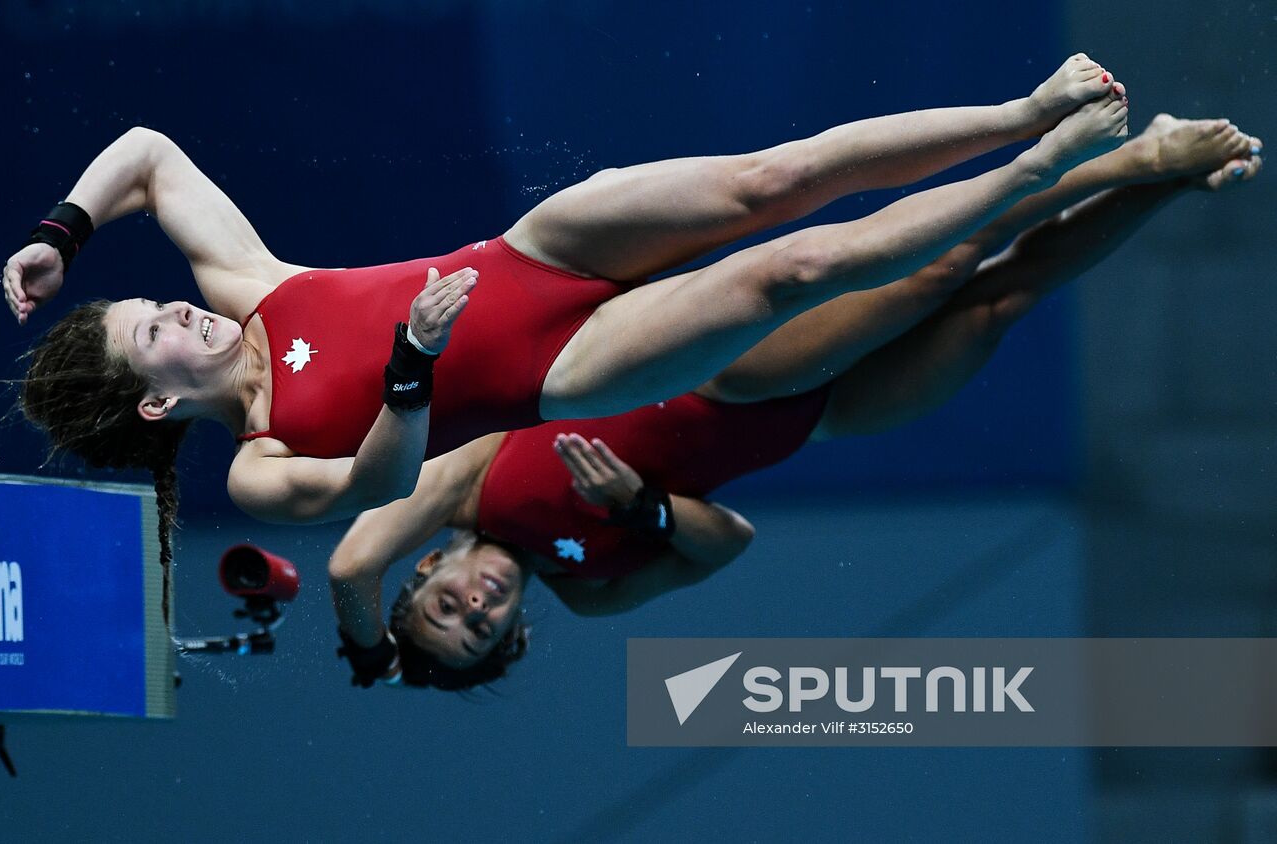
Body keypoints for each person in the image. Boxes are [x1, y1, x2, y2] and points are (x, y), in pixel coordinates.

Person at [6, 57, 1128, 623]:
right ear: (155, 398)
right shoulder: (260, 461)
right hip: (568, 366)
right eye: (154, 329)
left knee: (774, 179)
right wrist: (409, 374)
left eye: (156, 299)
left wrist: (67, 230)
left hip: (533, 249)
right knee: (795, 269)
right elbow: (372, 484)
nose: (181, 310)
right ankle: (1027, 177)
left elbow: (148, 153)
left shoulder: (249, 283)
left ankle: (1018, 116)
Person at [325, 114, 1262, 690]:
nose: (471, 611)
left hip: (733, 374)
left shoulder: (458, 484)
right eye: (478, 636)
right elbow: (727, 541)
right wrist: (641, 509)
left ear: (425, 578)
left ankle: (1122, 158)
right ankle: (1170, 183)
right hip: (815, 419)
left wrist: (371, 655)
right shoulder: (591, 589)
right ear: (513, 637)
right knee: (992, 311)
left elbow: (347, 567)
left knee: (941, 264)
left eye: (443, 612)